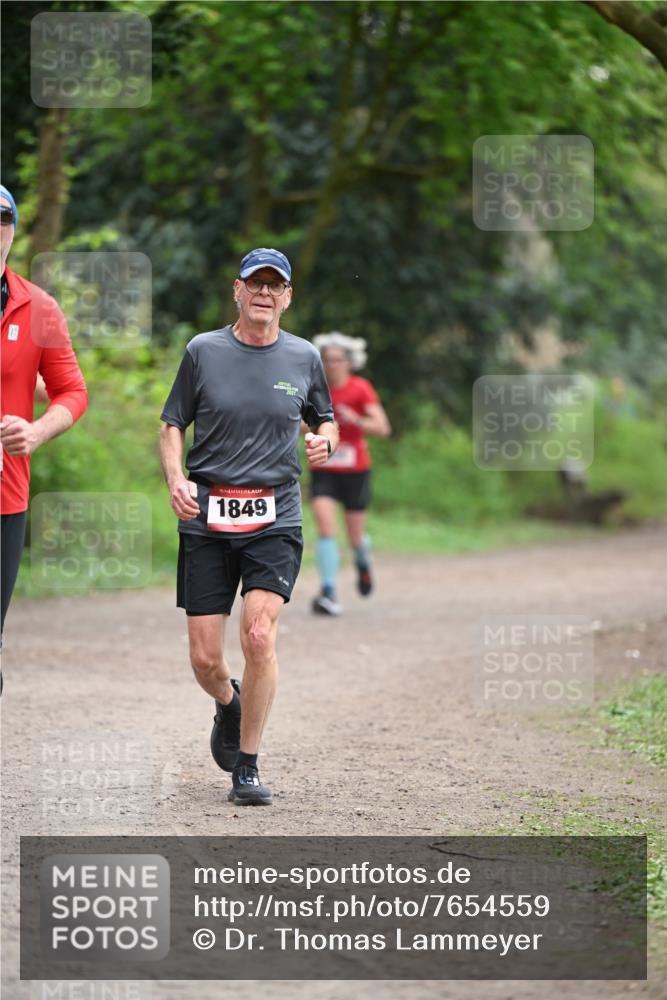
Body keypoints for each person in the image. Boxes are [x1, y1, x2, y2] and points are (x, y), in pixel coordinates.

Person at [160, 248, 337, 806]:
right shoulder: (202, 351)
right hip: (207, 515)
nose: (264, 293)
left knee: (259, 635)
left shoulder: (304, 357)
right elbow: (171, 425)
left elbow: (325, 420)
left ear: (287, 297)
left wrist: (324, 442)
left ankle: (248, 766)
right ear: (237, 290)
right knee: (205, 659)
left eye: (274, 285)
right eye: (255, 283)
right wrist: (175, 480)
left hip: (274, 515)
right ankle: (229, 703)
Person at [0, 183, 89, 690]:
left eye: (1, 219)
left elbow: (72, 392)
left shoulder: (39, 308)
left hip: (5, 494)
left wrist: (34, 431)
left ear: (13, 231)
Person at [309, 332, 391, 616]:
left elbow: (382, 427)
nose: (331, 364)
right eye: (326, 359)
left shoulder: (360, 389)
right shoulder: (315, 388)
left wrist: (355, 419)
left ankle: (362, 560)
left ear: (350, 362)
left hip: (356, 470)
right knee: (325, 525)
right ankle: (329, 590)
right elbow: (296, 423)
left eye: (337, 359)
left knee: (355, 536)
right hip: (324, 469)